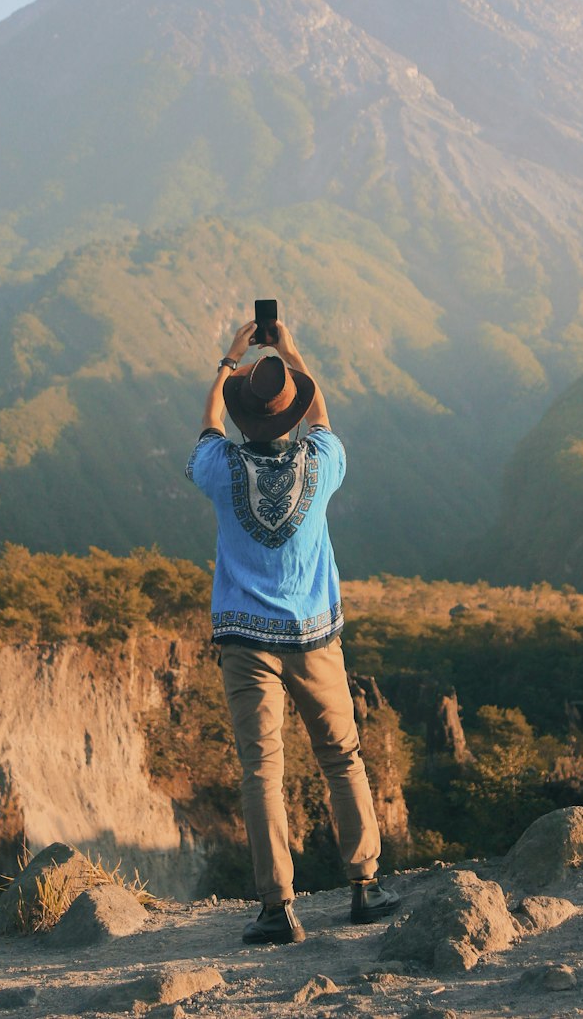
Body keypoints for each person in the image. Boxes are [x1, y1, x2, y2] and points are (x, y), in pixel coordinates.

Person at [185, 317, 401, 945]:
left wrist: (229, 362)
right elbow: (323, 418)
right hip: (315, 641)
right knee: (343, 757)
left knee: (262, 771)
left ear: (244, 419)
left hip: (246, 647)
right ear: (294, 416)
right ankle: (365, 886)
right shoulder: (321, 462)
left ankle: (276, 908)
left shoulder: (221, 470)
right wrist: (292, 353)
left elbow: (207, 430)